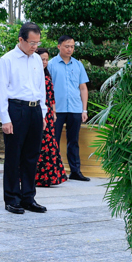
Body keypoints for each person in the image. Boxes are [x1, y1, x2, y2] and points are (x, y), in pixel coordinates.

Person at [0, 22, 47, 215]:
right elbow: (1, 91)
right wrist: (6, 119)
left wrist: (42, 113)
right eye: (31, 42)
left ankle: (28, 197)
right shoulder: (7, 60)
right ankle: (12, 198)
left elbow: (41, 88)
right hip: (16, 109)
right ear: (21, 40)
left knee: (31, 156)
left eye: (37, 42)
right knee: (13, 156)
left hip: (34, 110)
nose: (35, 46)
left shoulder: (36, 60)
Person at [48, 35, 91, 181]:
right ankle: (54, 171)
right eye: (67, 46)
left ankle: (75, 171)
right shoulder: (51, 64)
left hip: (75, 108)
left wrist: (84, 110)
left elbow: (83, 88)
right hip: (56, 110)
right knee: (54, 141)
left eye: (72, 46)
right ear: (59, 46)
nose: (70, 49)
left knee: (74, 141)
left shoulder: (78, 65)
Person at [35, 48, 67, 187]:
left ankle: (49, 177)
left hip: (48, 112)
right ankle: (36, 177)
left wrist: (53, 112)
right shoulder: (34, 74)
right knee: (38, 143)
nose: (45, 62)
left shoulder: (47, 74)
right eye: (42, 59)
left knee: (50, 143)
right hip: (36, 110)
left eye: (46, 59)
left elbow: (51, 95)